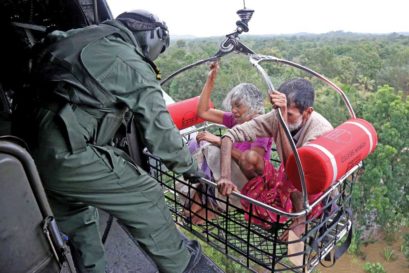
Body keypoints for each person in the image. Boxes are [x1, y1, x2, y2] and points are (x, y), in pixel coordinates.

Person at [25, 10, 203, 273]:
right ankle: (186, 266)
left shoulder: (77, 37)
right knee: (146, 195)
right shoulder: (129, 61)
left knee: (80, 220)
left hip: (29, 149)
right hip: (66, 151)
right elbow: (161, 133)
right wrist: (190, 169)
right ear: (154, 37)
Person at [218, 78, 333, 230]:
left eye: (290, 114)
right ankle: (269, 207)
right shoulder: (277, 116)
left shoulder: (321, 131)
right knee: (248, 158)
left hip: (309, 187)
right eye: (278, 112)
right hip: (286, 176)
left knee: (298, 179)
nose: (281, 117)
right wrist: (225, 177)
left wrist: (283, 122)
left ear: (307, 112)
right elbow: (229, 136)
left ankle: (299, 219)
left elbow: (297, 171)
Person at [184, 61, 273, 224]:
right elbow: (203, 111)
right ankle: (201, 193)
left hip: (242, 181)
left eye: (238, 106)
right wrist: (210, 80)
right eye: (232, 106)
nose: (234, 110)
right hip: (220, 174)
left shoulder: (261, 128)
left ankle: (209, 203)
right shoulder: (237, 120)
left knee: (197, 217)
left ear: (252, 106)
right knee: (188, 211)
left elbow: (251, 164)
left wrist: (218, 141)